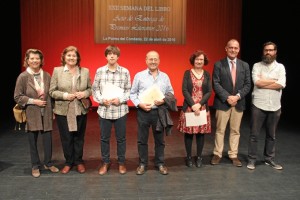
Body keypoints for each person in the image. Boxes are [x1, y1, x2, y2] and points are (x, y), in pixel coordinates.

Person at [14, 49, 59, 178]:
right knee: (33, 141)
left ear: (41, 61)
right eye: (32, 58)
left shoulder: (47, 75)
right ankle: (35, 165)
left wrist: (53, 110)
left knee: (48, 141)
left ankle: (48, 163)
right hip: (32, 112)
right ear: (27, 60)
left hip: (46, 112)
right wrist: (34, 101)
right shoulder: (23, 77)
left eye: (37, 58)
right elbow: (17, 97)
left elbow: (51, 95)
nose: (35, 61)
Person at [130, 50, 175, 175]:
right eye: (151, 59)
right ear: (146, 60)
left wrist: (164, 100)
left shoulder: (165, 76)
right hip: (143, 112)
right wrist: (140, 104)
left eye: (155, 59)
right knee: (142, 140)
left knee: (160, 140)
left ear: (159, 61)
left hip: (159, 112)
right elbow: (132, 94)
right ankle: (142, 164)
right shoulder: (139, 76)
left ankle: (160, 163)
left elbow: (171, 92)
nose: (153, 61)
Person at [49, 46, 92, 174]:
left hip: (80, 109)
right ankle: (68, 162)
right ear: (64, 57)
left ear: (77, 58)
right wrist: (65, 96)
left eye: (74, 56)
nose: (71, 58)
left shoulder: (84, 71)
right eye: (69, 55)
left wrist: (84, 94)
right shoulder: (57, 71)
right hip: (64, 110)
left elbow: (90, 89)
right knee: (66, 137)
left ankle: (78, 161)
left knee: (79, 137)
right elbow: (52, 91)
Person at [211, 39, 251, 167]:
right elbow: (215, 84)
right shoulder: (218, 64)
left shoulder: (244, 65)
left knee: (235, 130)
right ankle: (217, 154)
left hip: (238, 103)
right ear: (226, 49)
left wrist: (237, 97)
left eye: (236, 48)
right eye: (231, 47)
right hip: (223, 102)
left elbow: (247, 84)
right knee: (220, 130)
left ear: (238, 49)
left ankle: (233, 155)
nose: (233, 50)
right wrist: (228, 97)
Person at [92, 45, 131, 175]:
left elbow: (128, 90)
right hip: (104, 110)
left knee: (121, 138)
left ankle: (121, 163)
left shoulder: (125, 71)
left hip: (120, 110)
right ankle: (105, 162)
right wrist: (101, 99)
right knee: (104, 138)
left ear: (118, 56)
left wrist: (120, 99)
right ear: (106, 56)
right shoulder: (100, 71)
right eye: (109, 54)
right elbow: (95, 89)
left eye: (114, 54)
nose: (112, 56)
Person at [247, 41, 286, 170]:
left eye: (270, 50)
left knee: (271, 135)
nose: (268, 52)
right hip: (258, 104)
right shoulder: (257, 66)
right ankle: (252, 160)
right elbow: (257, 83)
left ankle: (269, 159)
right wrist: (273, 81)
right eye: (266, 50)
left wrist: (266, 82)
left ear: (275, 52)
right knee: (254, 135)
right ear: (263, 52)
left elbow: (281, 84)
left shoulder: (280, 67)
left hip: (275, 106)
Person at [177, 50, 212, 168]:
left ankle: (199, 157)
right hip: (189, 108)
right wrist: (193, 105)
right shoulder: (187, 73)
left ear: (204, 61)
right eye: (197, 59)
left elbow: (208, 92)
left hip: (202, 108)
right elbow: (184, 90)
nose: (199, 61)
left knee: (201, 134)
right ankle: (188, 157)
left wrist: (200, 104)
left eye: (201, 59)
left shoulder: (207, 74)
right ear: (193, 60)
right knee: (189, 134)